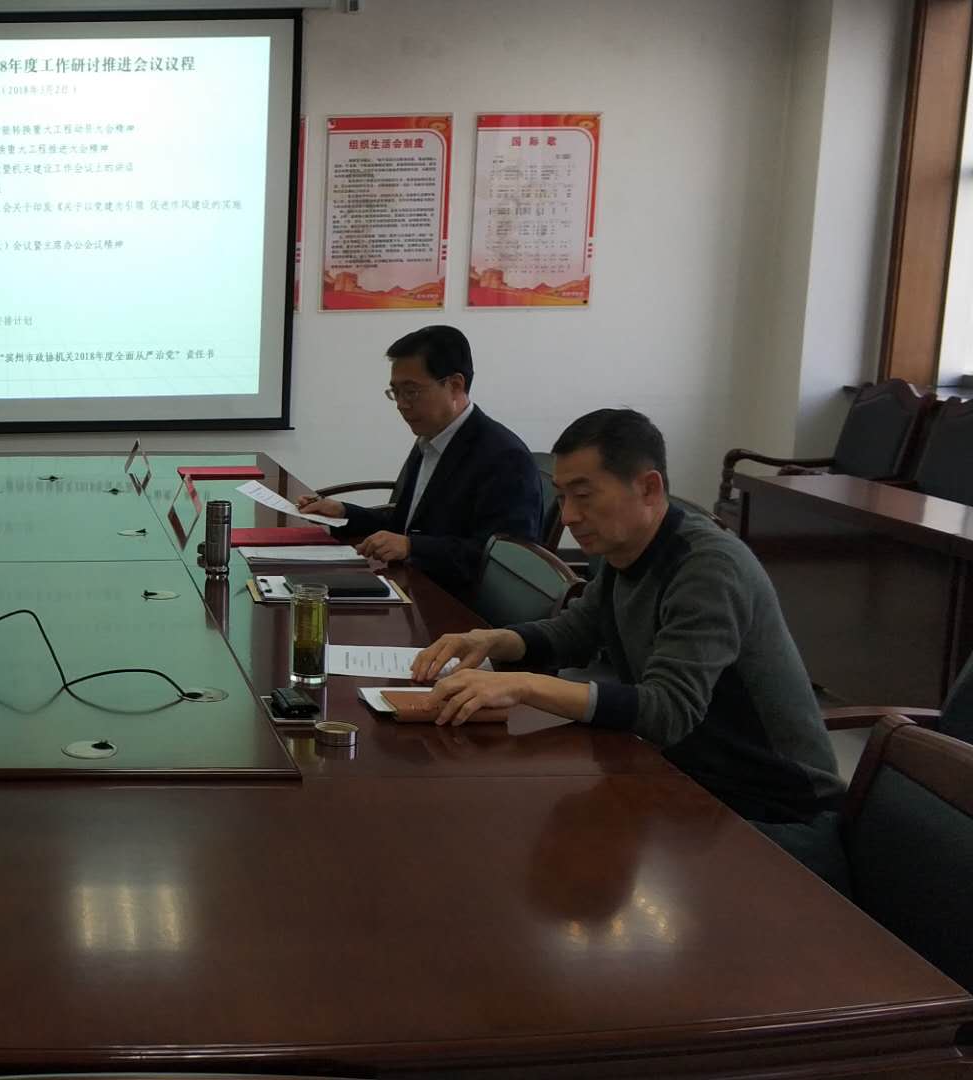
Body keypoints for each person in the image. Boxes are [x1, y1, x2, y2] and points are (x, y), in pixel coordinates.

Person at [410, 408, 847, 886]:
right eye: (562, 497)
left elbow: (668, 710)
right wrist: (493, 640)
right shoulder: (627, 550)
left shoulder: (707, 567)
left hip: (775, 817)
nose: (568, 517)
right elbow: (577, 631)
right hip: (687, 786)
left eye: (583, 496)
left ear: (649, 488)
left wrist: (525, 687)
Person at [295, 325, 541, 597]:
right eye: (395, 392)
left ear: (455, 385)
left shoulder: (504, 458)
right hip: (414, 583)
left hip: (457, 605)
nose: (401, 404)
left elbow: (503, 562)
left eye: (411, 391)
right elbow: (408, 522)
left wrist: (412, 547)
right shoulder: (430, 438)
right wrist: (344, 513)